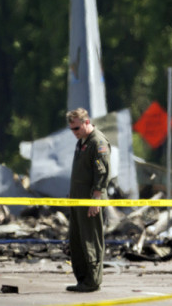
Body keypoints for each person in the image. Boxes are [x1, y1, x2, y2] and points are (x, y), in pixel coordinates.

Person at [65, 108, 111, 292]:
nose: (74, 133)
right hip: (78, 201)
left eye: (76, 128)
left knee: (91, 240)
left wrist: (96, 199)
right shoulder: (81, 141)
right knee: (76, 240)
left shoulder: (98, 142)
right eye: (71, 129)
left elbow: (102, 172)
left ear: (86, 122)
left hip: (91, 200)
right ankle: (82, 279)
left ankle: (92, 281)